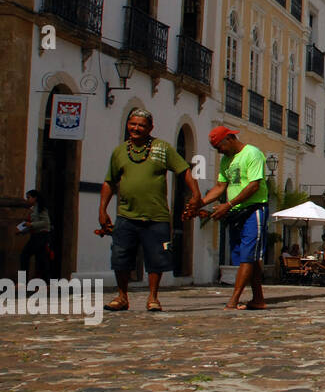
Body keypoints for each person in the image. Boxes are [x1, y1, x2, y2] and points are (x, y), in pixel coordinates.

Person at [99, 108, 201, 312]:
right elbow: (109, 182)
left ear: (150, 128)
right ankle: (122, 297)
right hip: (126, 215)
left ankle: (153, 297)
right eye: (132, 124)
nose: (136, 128)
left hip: (156, 216)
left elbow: (184, 170)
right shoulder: (119, 152)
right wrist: (103, 210)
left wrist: (195, 194)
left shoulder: (161, 148)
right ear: (128, 124)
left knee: (156, 259)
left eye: (141, 125)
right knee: (121, 257)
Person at [197, 126, 270, 310]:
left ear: (229, 138)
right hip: (236, 212)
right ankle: (258, 299)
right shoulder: (226, 160)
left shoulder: (252, 153)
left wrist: (227, 205)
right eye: (215, 148)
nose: (219, 151)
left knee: (248, 255)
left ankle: (234, 299)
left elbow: (254, 186)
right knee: (246, 257)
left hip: (254, 209)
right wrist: (200, 203)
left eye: (219, 146)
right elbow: (221, 187)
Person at [17, 189, 53, 280]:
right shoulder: (34, 209)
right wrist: (23, 231)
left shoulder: (41, 208)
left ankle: (23, 281)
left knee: (25, 255)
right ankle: (46, 282)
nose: (27, 200)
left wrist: (31, 224)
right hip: (37, 235)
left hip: (40, 236)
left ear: (35, 198)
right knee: (42, 259)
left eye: (29, 197)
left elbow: (46, 222)